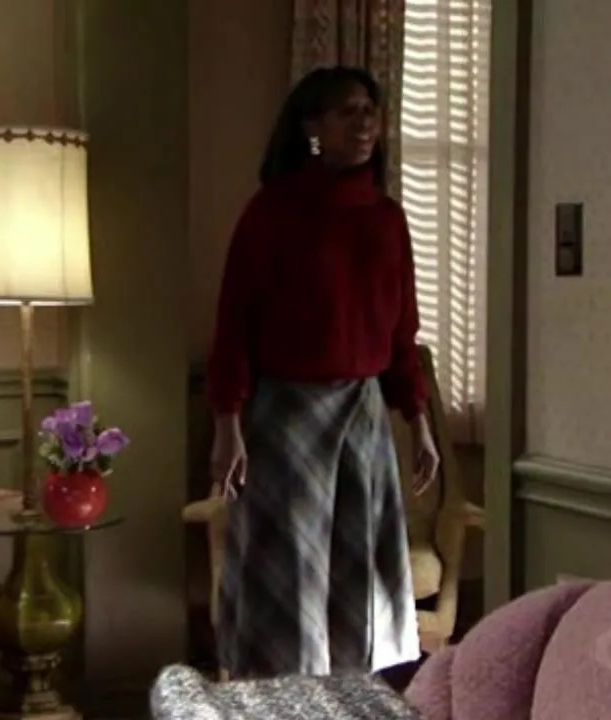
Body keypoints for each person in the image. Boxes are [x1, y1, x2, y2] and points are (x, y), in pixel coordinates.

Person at [206, 65, 440, 680]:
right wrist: (227, 426)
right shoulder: (273, 212)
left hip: (363, 419)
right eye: (347, 112)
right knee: (291, 575)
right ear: (313, 128)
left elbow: (401, 333)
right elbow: (233, 326)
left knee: (359, 577)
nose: (364, 123)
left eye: (370, 110)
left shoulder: (387, 219)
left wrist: (419, 421)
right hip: (286, 420)